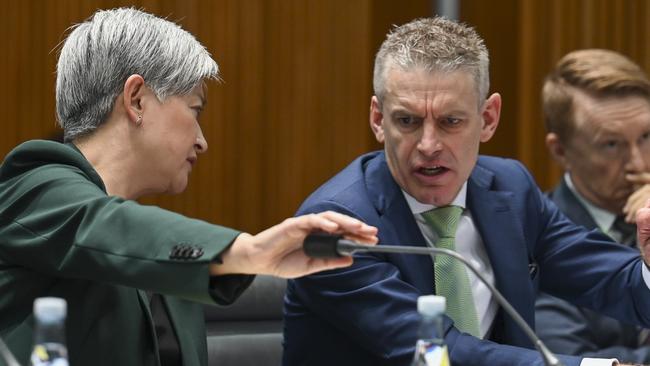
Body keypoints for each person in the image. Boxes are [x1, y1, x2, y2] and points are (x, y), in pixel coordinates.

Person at [0, 8, 378, 366]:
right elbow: (103, 229)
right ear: (136, 101)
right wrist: (249, 250)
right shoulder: (35, 185)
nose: (202, 140)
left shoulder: (168, 260)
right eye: (195, 109)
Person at [282, 17, 650, 366]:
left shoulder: (509, 188)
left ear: (488, 118)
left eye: (450, 122)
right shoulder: (336, 224)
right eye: (407, 121)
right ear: (378, 120)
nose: (428, 145)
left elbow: (613, 280)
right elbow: (439, 354)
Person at [535, 49, 650, 362]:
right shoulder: (538, 237)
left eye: (646, 136)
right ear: (559, 150)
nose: (637, 162)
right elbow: (572, 357)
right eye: (611, 144)